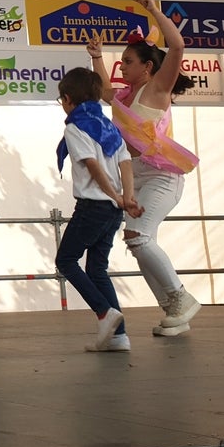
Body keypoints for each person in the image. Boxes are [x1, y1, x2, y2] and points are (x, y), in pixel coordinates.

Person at [88, 0, 201, 337]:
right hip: (137, 178)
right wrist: (96, 57)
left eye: (127, 61)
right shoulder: (124, 96)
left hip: (164, 178)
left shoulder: (156, 89)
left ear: (147, 67)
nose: (121, 65)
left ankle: (181, 298)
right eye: (120, 61)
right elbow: (105, 91)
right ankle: (173, 311)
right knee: (137, 242)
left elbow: (177, 47)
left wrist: (153, 10)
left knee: (138, 237)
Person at [55, 67, 144, 353]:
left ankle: (104, 313)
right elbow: (125, 164)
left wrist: (116, 196)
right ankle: (118, 336)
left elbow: (92, 166)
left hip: (93, 206)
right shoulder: (109, 126)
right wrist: (126, 198)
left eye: (61, 100)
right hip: (112, 210)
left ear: (68, 99)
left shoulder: (75, 127)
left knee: (66, 260)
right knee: (97, 268)